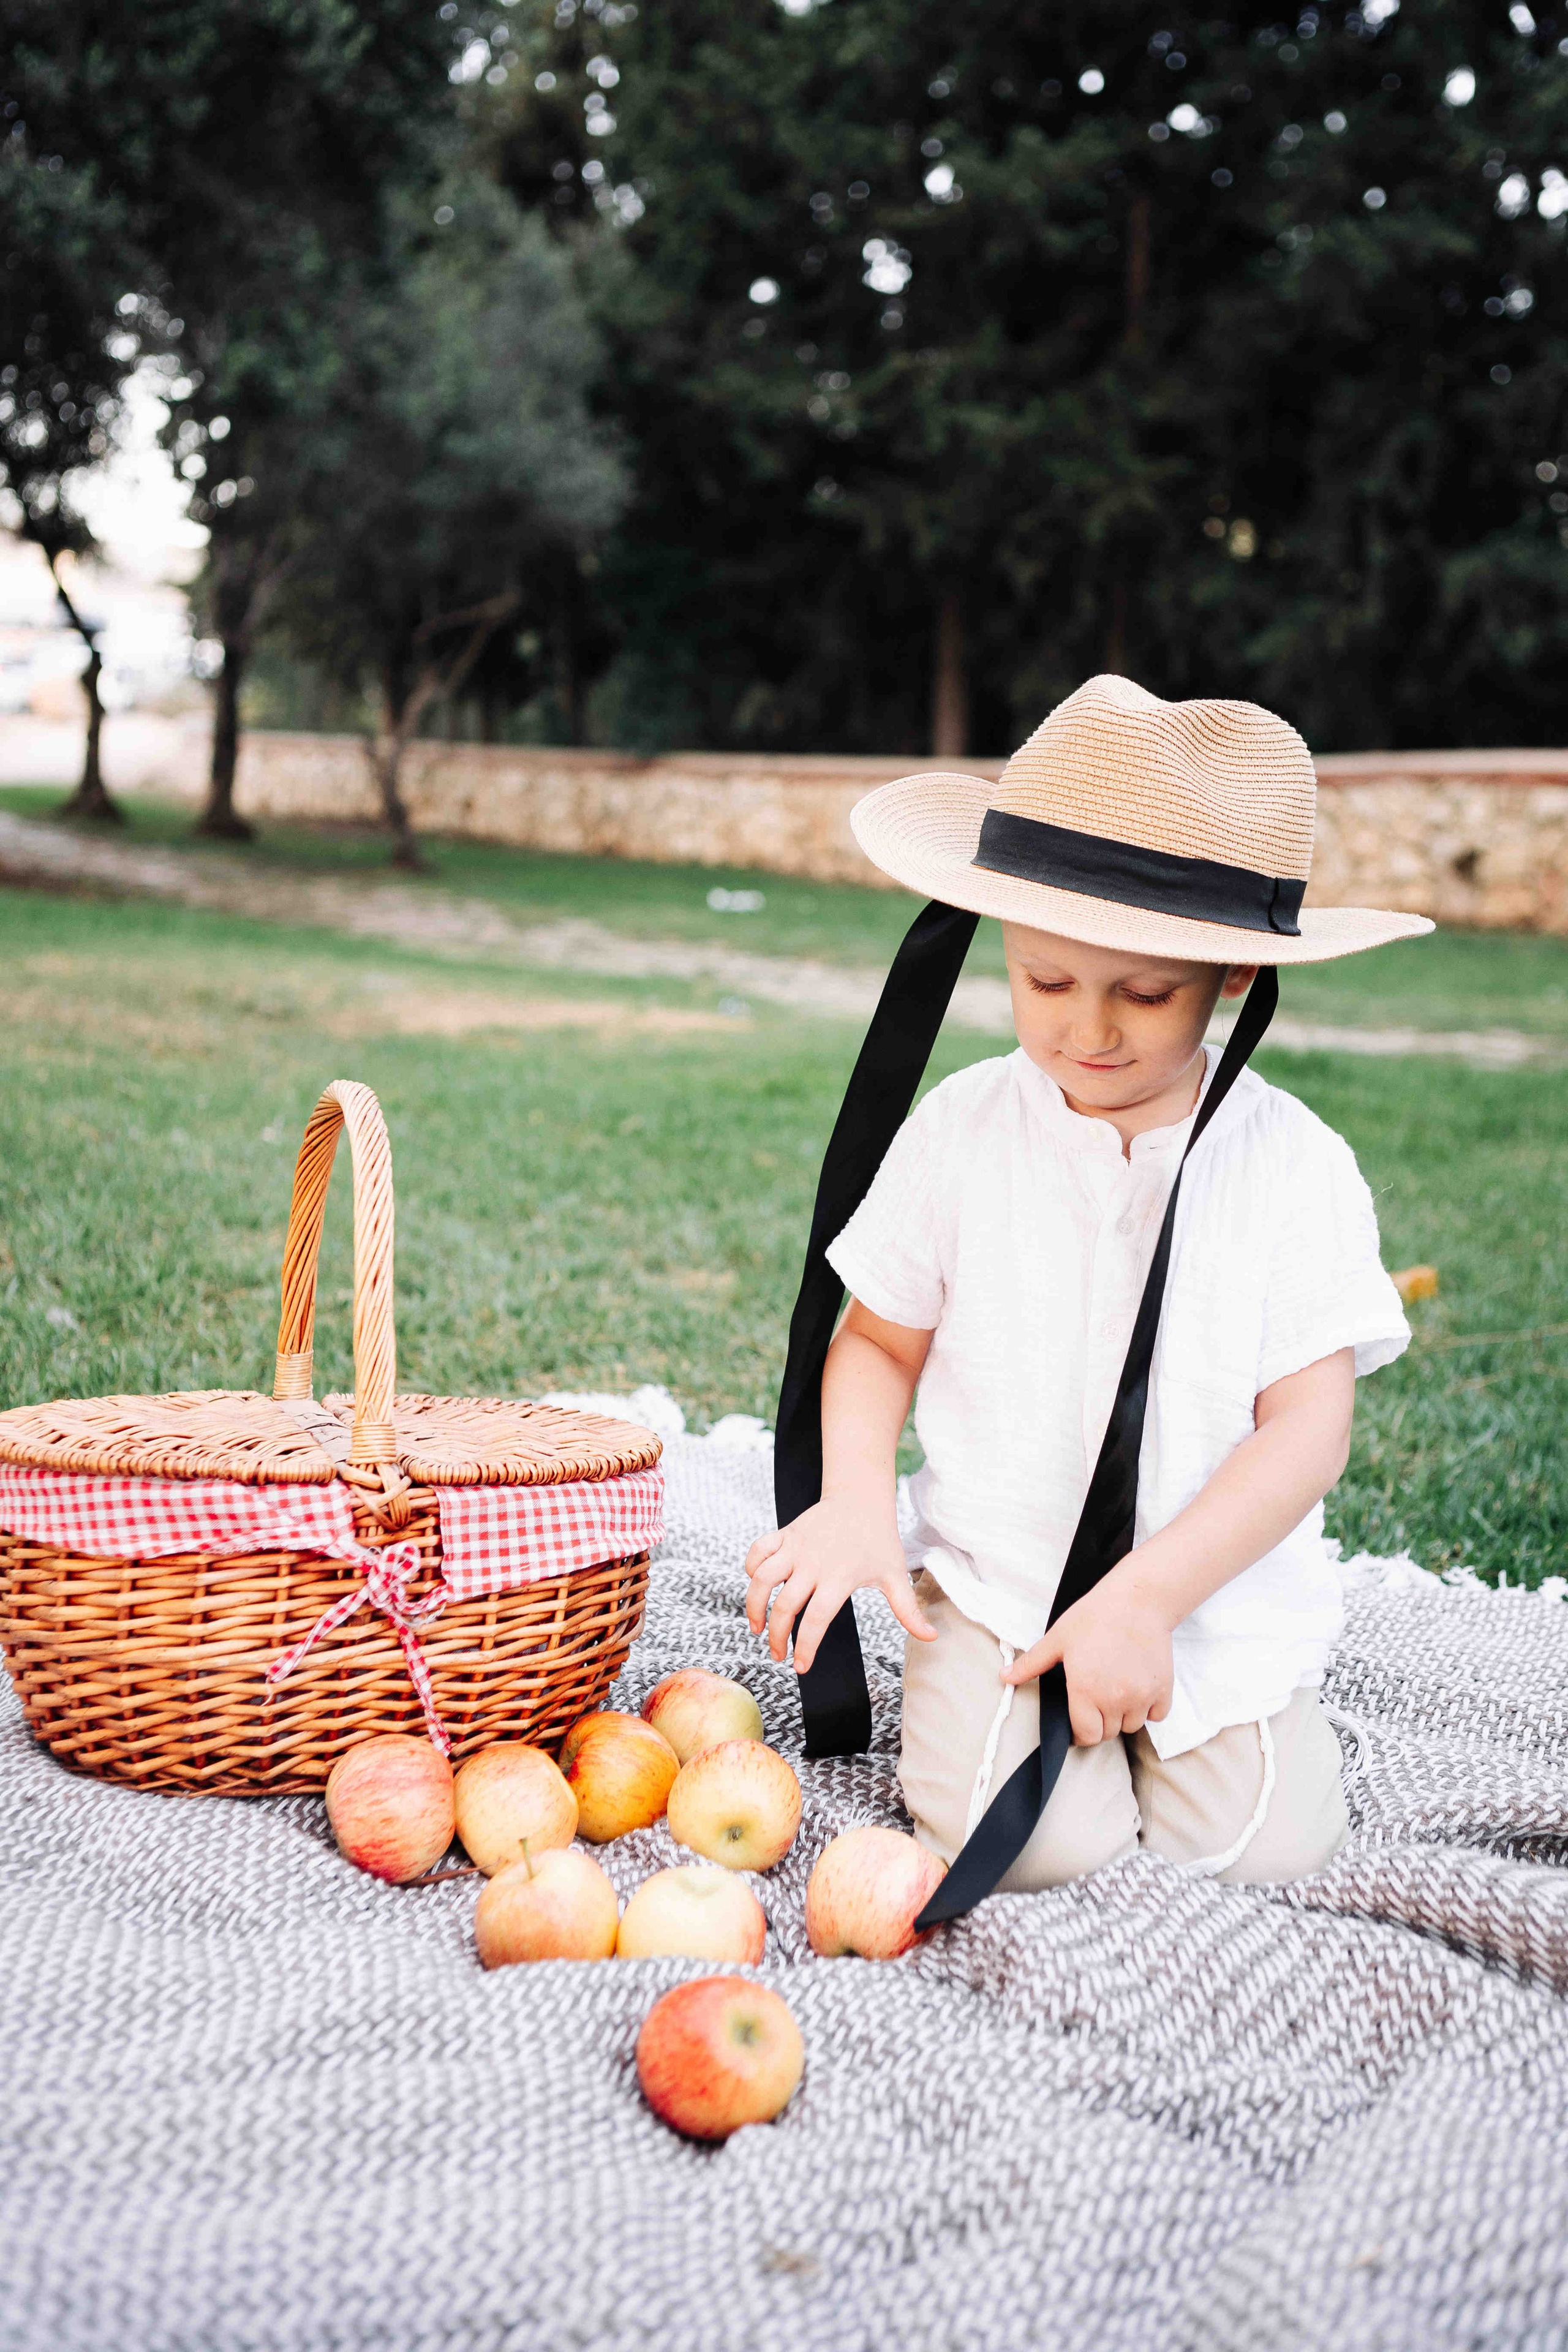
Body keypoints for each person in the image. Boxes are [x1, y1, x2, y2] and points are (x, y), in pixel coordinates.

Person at [744, 674, 1431, 1889]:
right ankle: (1006, 1714)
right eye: (1045, 982)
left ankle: (1184, 1712)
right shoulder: (964, 1128)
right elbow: (878, 1343)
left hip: (1206, 1594)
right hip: (999, 1581)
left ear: (1230, 974)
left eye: (1145, 993)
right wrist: (855, 1502)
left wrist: (1147, 1601)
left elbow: (1306, 1431)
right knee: (1032, 1856)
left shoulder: (1293, 1164)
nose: (1088, 1030)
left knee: (1261, 1857)